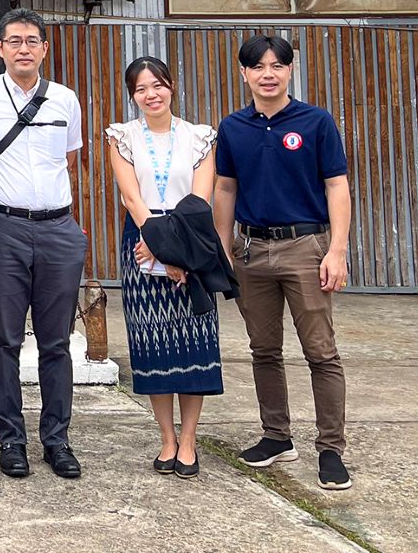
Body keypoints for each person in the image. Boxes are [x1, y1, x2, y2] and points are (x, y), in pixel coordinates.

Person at [214, 34, 354, 491]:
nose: (268, 74)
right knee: (263, 349)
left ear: (290, 70)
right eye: (258, 67)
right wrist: (223, 245)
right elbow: (226, 189)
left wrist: (337, 249)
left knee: (321, 352)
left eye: (277, 65)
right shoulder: (233, 127)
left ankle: (330, 448)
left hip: (305, 248)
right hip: (251, 251)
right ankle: (276, 436)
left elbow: (336, 185)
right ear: (244, 73)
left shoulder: (316, 122)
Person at [0, 8, 87, 480]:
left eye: (32, 41)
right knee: (4, 340)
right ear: (0, 48)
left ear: (45, 48)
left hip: (58, 228)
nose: (23, 49)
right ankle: (11, 440)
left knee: (57, 343)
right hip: (2, 227)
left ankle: (57, 440)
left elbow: (69, 162)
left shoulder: (66, 101)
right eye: (14, 41)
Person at [105, 56, 221, 479]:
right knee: (153, 346)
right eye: (140, 89)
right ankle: (167, 438)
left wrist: (175, 254)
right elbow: (132, 197)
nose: (150, 94)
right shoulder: (122, 136)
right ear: (132, 95)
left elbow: (200, 201)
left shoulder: (201, 136)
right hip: (141, 241)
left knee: (194, 343)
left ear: (171, 86)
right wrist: (154, 246)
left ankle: (189, 441)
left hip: (192, 241)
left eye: (157, 85)